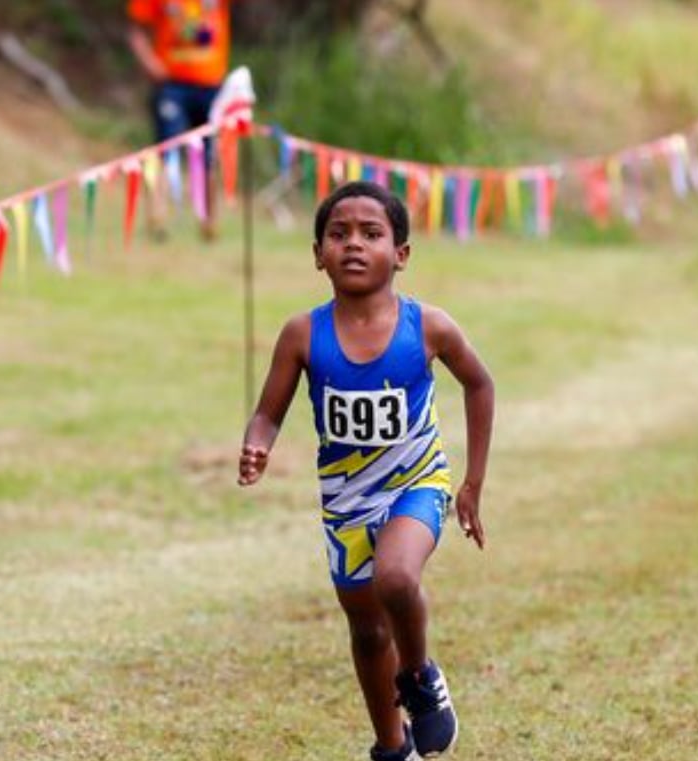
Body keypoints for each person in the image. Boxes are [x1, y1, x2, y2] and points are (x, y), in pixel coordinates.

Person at [238, 182, 494, 761]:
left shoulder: (428, 327)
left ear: (400, 254)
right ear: (318, 254)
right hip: (347, 501)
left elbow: (480, 383)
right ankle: (391, 746)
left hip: (416, 483)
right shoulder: (302, 334)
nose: (353, 244)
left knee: (396, 579)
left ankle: (420, 679)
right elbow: (267, 414)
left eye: (371, 234)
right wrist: (257, 445)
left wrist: (472, 482)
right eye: (339, 234)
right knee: (369, 630)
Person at [126, 0, 236, 241]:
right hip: (171, 85)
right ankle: (157, 219)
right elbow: (136, 30)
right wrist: (150, 63)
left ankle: (209, 222)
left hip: (212, 85)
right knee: (165, 150)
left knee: (211, 155)